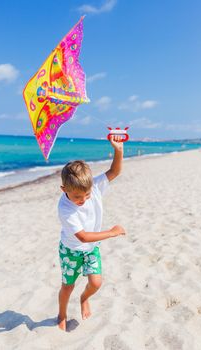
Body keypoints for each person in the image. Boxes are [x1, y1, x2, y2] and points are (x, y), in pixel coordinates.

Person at [57, 135, 126, 331]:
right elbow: (83, 236)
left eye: (86, 194)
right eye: (77, 196)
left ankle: (84, 298)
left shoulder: (93, 188)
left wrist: (118, 150)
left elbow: (115, 171)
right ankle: (62, 313)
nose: (84, 199)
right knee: (67, 286)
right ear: (64, 190)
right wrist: (111, 233)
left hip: (91, 248)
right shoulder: (65, 208)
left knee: (96, 283)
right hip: (71, 250)